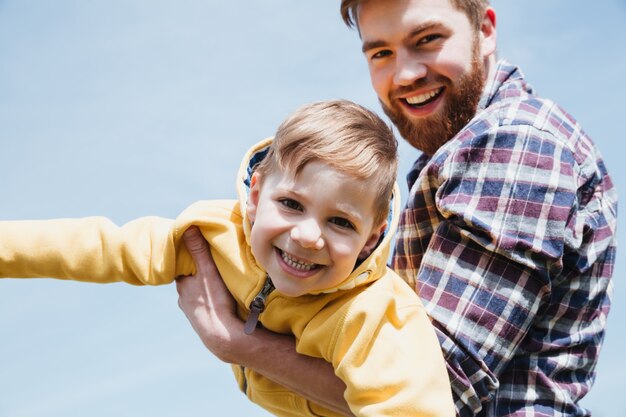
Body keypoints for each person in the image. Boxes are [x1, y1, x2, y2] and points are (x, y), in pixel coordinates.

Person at [175, 1, 618, 416]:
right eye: (381, 53)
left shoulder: (514, 144)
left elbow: (435, 389)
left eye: (427, 39)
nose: (404, 73)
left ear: (484, 30)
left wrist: (238, 343)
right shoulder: (452, 156)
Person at [0, 99, 455, 417]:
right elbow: (102, 248)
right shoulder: (215, 236)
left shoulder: (378, 315)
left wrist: (237, 345)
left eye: (341, 223)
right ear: (256, 196)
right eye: (292, 205)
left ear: (372, 238)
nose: (307, 236)